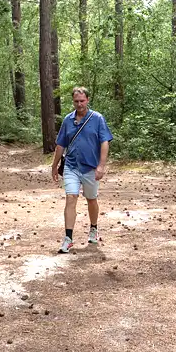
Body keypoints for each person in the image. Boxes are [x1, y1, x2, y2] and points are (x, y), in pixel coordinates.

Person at [51, 87, 114, 253]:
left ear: (87, 100)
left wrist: (101, 166)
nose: (79, 104)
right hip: (71, 166)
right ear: (73, 102)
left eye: (82, 101)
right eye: (76, 101)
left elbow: (104, 142)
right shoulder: (67, 120)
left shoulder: (97, 119)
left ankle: (93, 228)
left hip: (90, 168)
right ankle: (68, 238)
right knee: (71, 197)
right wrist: (54, 166)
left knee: (91, 199)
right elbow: (60, 144)